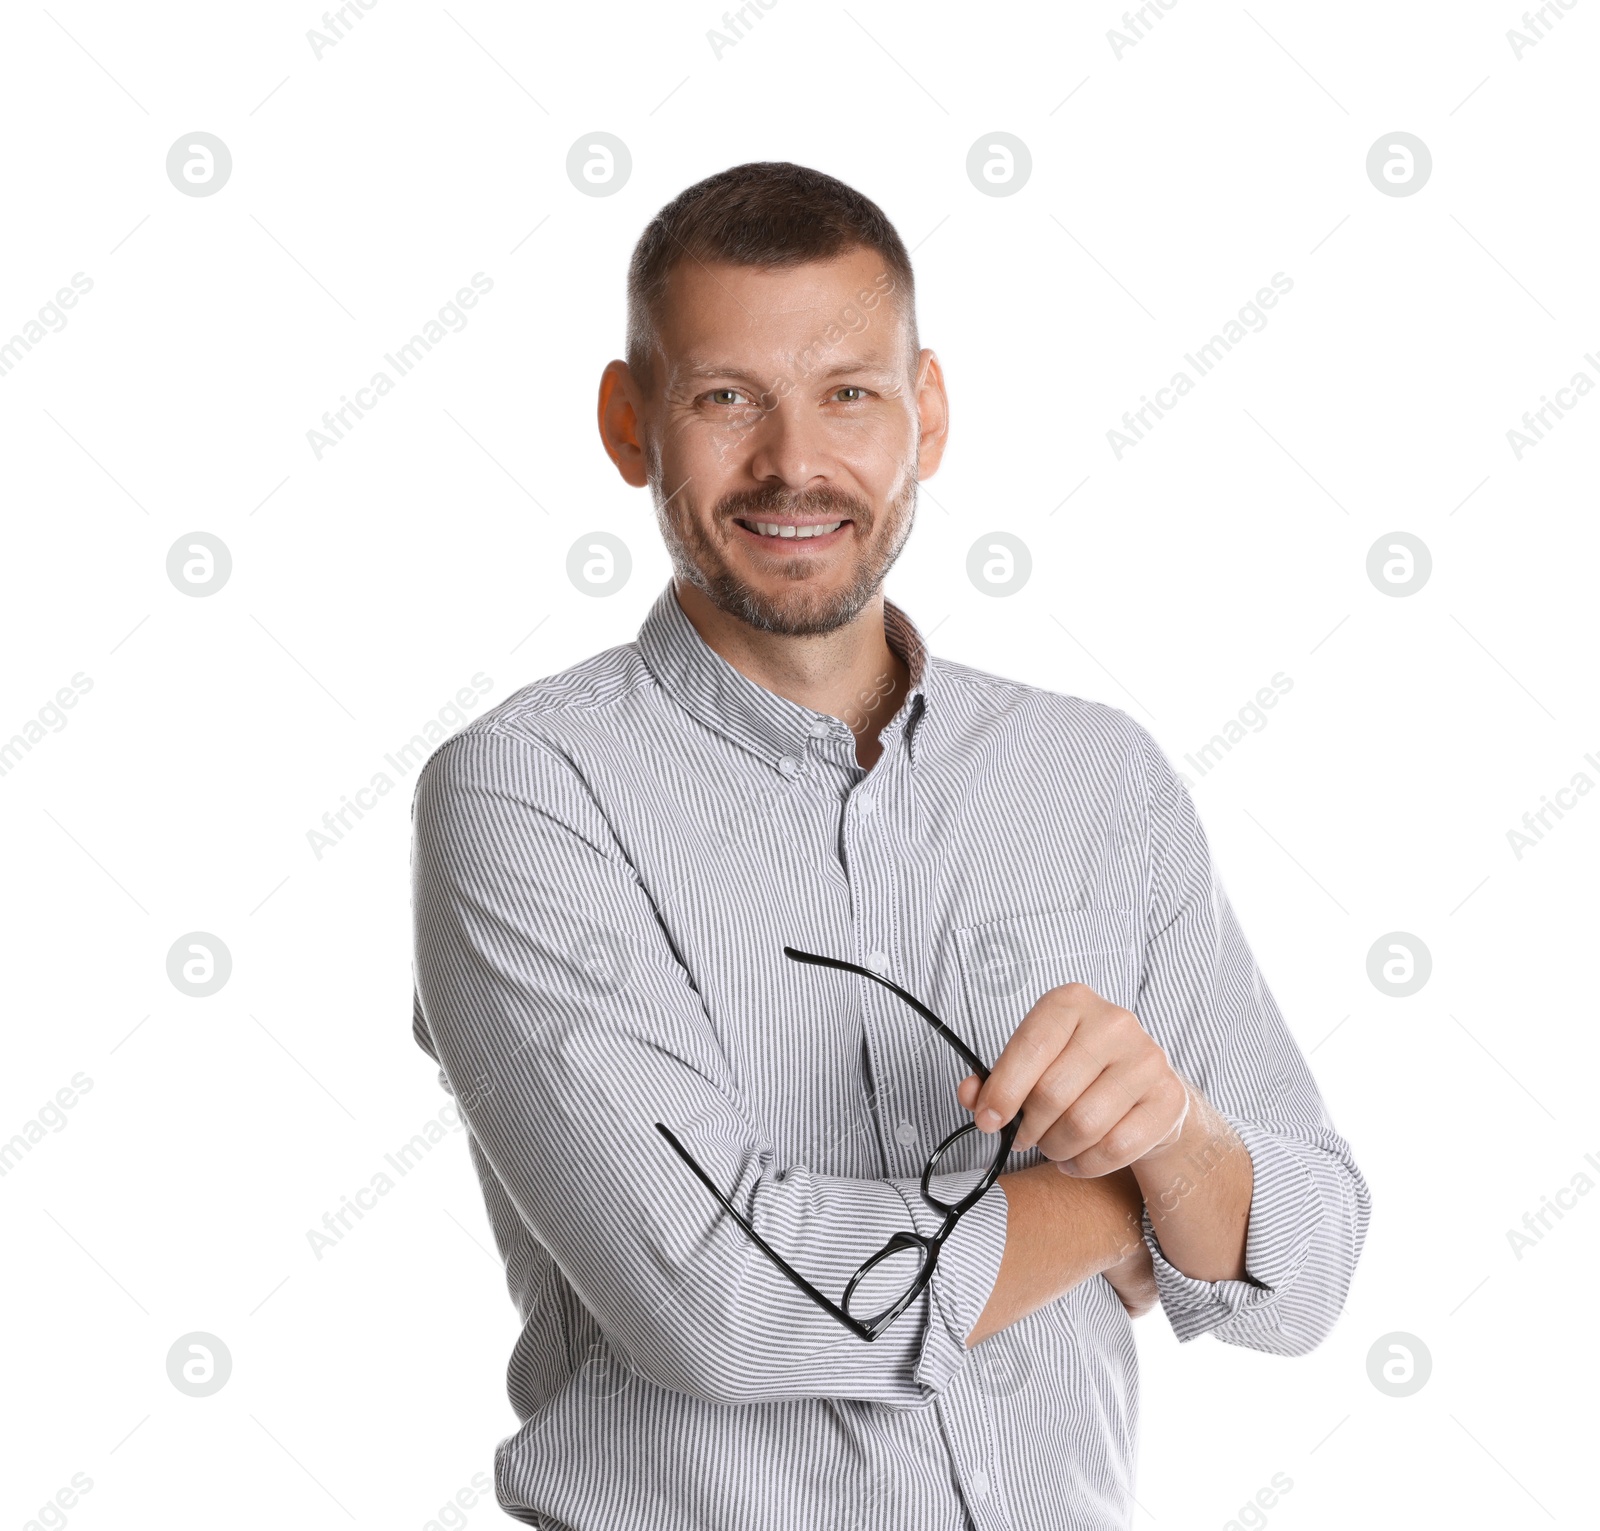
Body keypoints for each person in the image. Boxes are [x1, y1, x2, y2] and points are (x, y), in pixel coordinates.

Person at [408, 160, 1371, 1530]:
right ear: (631, 424)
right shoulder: (529, 791)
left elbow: (1311, 1262)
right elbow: (726, 1302)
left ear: (926, 412)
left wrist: (1178, 1134)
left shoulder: (1096, 776)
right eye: (726, 397)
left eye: (848, 393)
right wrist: (1123, 1205)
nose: (795, 461)